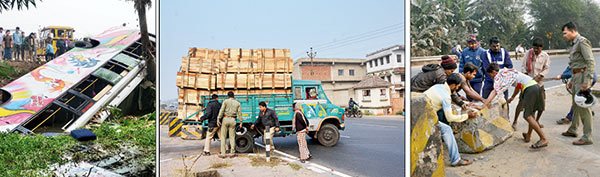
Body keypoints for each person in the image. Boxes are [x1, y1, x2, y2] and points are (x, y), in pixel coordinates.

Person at [484, 63, 548, 148]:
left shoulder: (499, 76)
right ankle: (528, 135)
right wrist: (513, 97)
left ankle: (543, 139)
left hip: (529, 89)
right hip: (535, 86)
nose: (491, 77)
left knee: (527, 116)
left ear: (493, 72)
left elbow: (495, 91)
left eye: (490, 75)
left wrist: (484, 104)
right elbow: (518, 85)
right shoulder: (507, 72)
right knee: (531, 114)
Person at [423, 73, 478, 166]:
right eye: (458, 86)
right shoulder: (445, 96)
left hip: (424, 113)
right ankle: (456, 159)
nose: (457, 89)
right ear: (453, 85)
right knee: (447, 129)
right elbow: (450, 117)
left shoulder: (438, 86)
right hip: (425, 118)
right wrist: (467, 116)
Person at [560, 22, 594, 145]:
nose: (564, 35)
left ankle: (587, 137)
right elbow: (574, 64)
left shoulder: (582, 42)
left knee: (584, 107)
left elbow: (590, 62)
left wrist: (587, 82)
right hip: (576, 77)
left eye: (565, 33)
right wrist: (571, 80)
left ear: (572, 30)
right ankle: (573, 129)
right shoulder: (574, 44)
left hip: (582, 78)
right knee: (575, 105)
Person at [511, 38, 550, 130]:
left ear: (542, 48)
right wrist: (526, 76)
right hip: (527, 84)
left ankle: (536, 121)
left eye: (538, 49)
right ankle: (515, 121)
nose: (535, 50)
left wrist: (540, 76)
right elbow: (523, 66)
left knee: (541, 105)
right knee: (521, 103)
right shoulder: (528, 54)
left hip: (539, 84)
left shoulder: (545, 56)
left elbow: (546, 68)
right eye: (534, 48)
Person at [481, 37, 513, 101]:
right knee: (486, 99)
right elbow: (486, 69)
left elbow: (509, 66)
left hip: (502, 82)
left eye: (497, 46)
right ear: (490, 46)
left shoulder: (504, 52)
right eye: (494, 46)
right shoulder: (485, 54)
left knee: (504, 102)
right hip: (489, 81)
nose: (496, 48)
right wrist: (495, 80)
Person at [216, 91, 243, 157]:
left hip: (225, 119)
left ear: (228, 96)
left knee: (223, 137)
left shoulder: (225, 101)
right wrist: (241, 122)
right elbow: (239, 113)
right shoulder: (237, 103)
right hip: (233, 119)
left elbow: (221, 110)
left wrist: (218, 119)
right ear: (233, 96)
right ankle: (232, 153)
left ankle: (223, 153)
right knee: (232, 137)